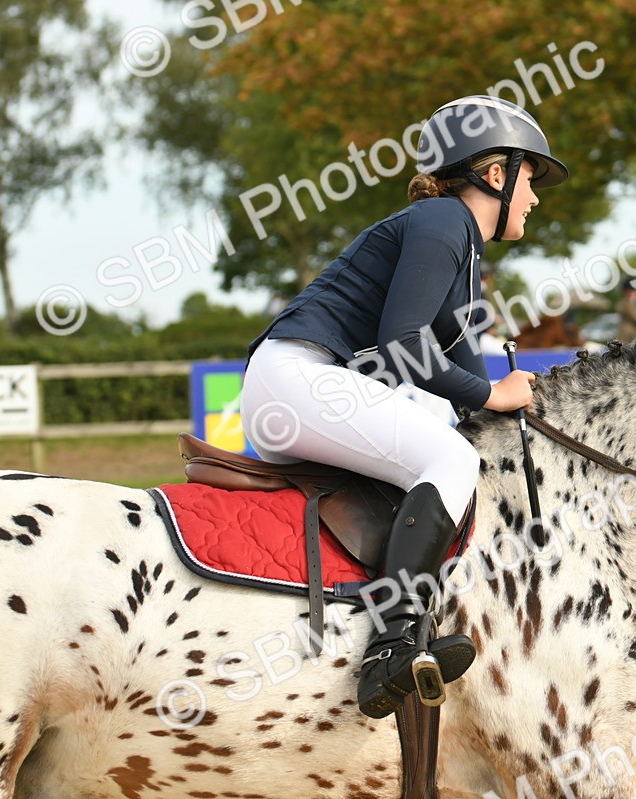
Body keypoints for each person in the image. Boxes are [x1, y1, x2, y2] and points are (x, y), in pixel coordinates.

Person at [240, 95, 567, 718]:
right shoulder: (444, 221)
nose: (533, 197)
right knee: (445, 458)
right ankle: (391, 645)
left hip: (303, 388)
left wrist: (508, 404)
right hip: (299, 377)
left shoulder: (462, 251)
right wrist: (496, 392)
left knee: (450, 439)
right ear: (494, 176)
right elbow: (404, 343)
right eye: (529, 180)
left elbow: (465, 376)